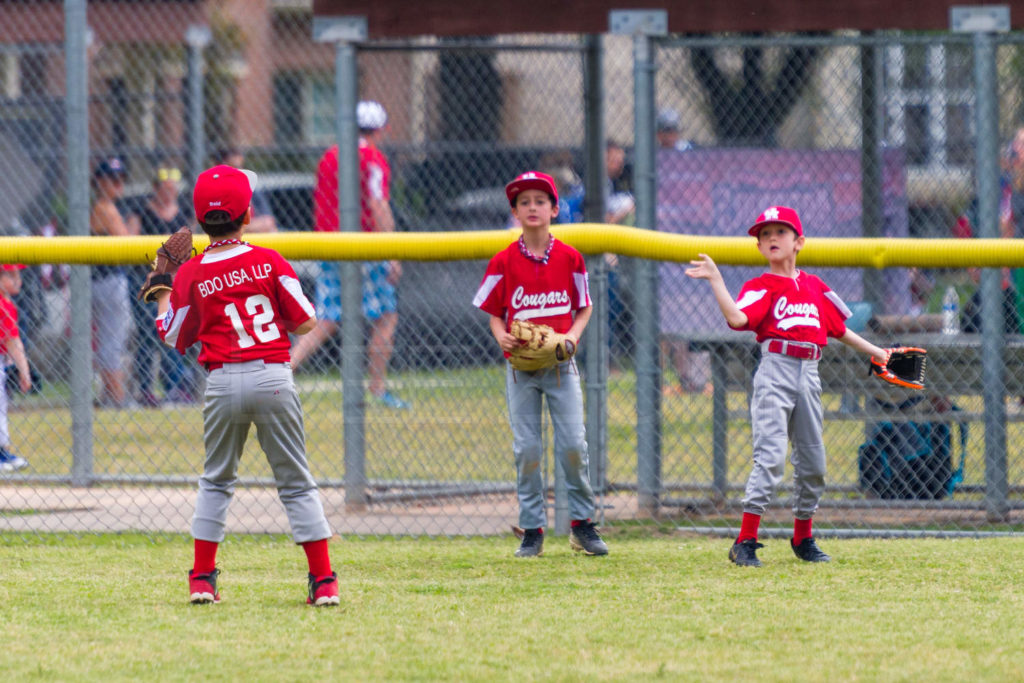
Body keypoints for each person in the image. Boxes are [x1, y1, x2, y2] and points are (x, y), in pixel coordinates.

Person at [153, 165, 339, 606]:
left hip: (222, 381)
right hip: (273, 374)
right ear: (249, 213)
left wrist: (163, 287)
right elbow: (307, 320)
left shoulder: (192, 272)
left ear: (199, 220)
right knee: (295, 481)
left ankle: (201, 579)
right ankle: (324, 581)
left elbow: (173, 335)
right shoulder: (269, 259)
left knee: (216, 480)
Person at [685, 206, 891, 567]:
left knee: (814, 463)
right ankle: (745, 541)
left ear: (799, 242)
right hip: (775, 371)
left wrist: (878, 352)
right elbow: (737, 318)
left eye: (780, 232)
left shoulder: (815, 287)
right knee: (770, 459)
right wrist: (717, 280)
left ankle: (803, 537)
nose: (771, 238)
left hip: (810, 372)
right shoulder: (760, 286)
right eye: (765, 234)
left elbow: (839, 330)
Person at [472, 171, 609, 558]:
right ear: (515, 212)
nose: (533, 207)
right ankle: (532, 528)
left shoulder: (570, 257)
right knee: (527, 449)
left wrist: (572, 337)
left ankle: (581, 525)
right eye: (524, 202)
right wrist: (500, 335)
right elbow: (494, 313)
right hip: (521, 370)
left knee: (572, 445)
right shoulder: (503, 261)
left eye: (540, 201)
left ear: (554, 209)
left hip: (561, 368)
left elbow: (584, 307)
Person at [292, 100, 408, 409]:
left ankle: (285, 370)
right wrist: (392, 253)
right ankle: (378, 387)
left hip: (330, 246)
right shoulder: (373, 159)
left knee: (327, 317)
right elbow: (378, 204)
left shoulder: (329, 156)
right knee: (386, 316)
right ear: (381, 130)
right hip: (365, 246)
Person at [126, 165, 197, 407]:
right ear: (155, 189)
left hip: (175, 283)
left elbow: (189, 248)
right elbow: (130, 246)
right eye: (164, 189)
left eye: (173, 189)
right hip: (147, 282)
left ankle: (175, 386)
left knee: (174, 332)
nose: (169, 193)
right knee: (148, 334)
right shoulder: (141, 213)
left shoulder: (182, 214)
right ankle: (145, 389)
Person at [90, 157, 135, 408]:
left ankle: (110, 396)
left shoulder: (106, 206)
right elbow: (127, 241)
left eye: (121, 179)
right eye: (112, 179)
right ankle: (117, 399)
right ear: (99, 181)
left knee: (111, 340)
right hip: (108, 281)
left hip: (104, 282)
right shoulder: (105, 207)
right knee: (113, 341)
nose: (119, 184)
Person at [0, 264, 31, 472]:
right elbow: (13, 342)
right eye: (11, 275)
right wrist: (24, 371)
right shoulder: (4, 305)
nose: (18, 280)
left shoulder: (6, 303)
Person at [214, 147, 277, 233]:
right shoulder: (211, 192)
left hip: (249, 236)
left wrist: (240, 226)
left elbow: (268, 221)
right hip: (226, 240)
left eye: (240, 167)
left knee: (272, 230)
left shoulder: (251, 191)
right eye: (233, 167)